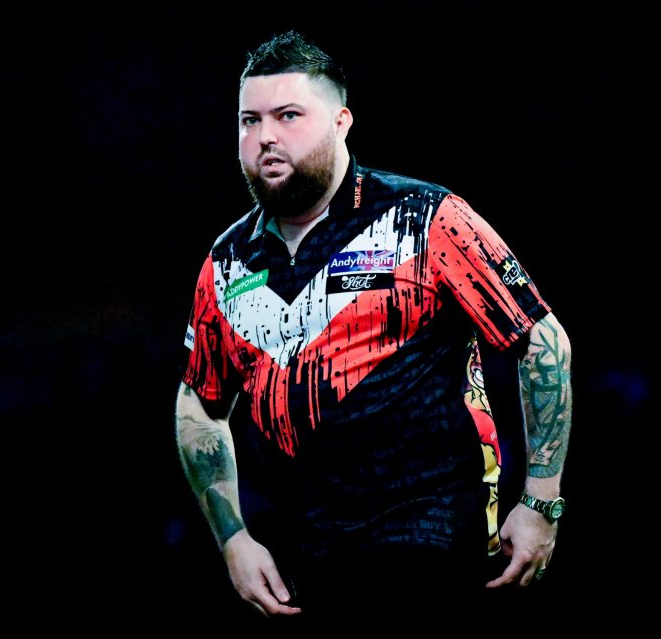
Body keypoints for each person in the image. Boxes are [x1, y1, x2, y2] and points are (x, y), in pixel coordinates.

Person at [174, 30, 572, 629]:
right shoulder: (226, 263)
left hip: (433, 534)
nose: (266, 138)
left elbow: (542, 341)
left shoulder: (426, 219)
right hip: (304, 559)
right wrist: (232, 537)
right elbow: (199, 405)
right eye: (249, 121)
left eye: (288, 116)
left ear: (341, 121)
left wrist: (542, 500)